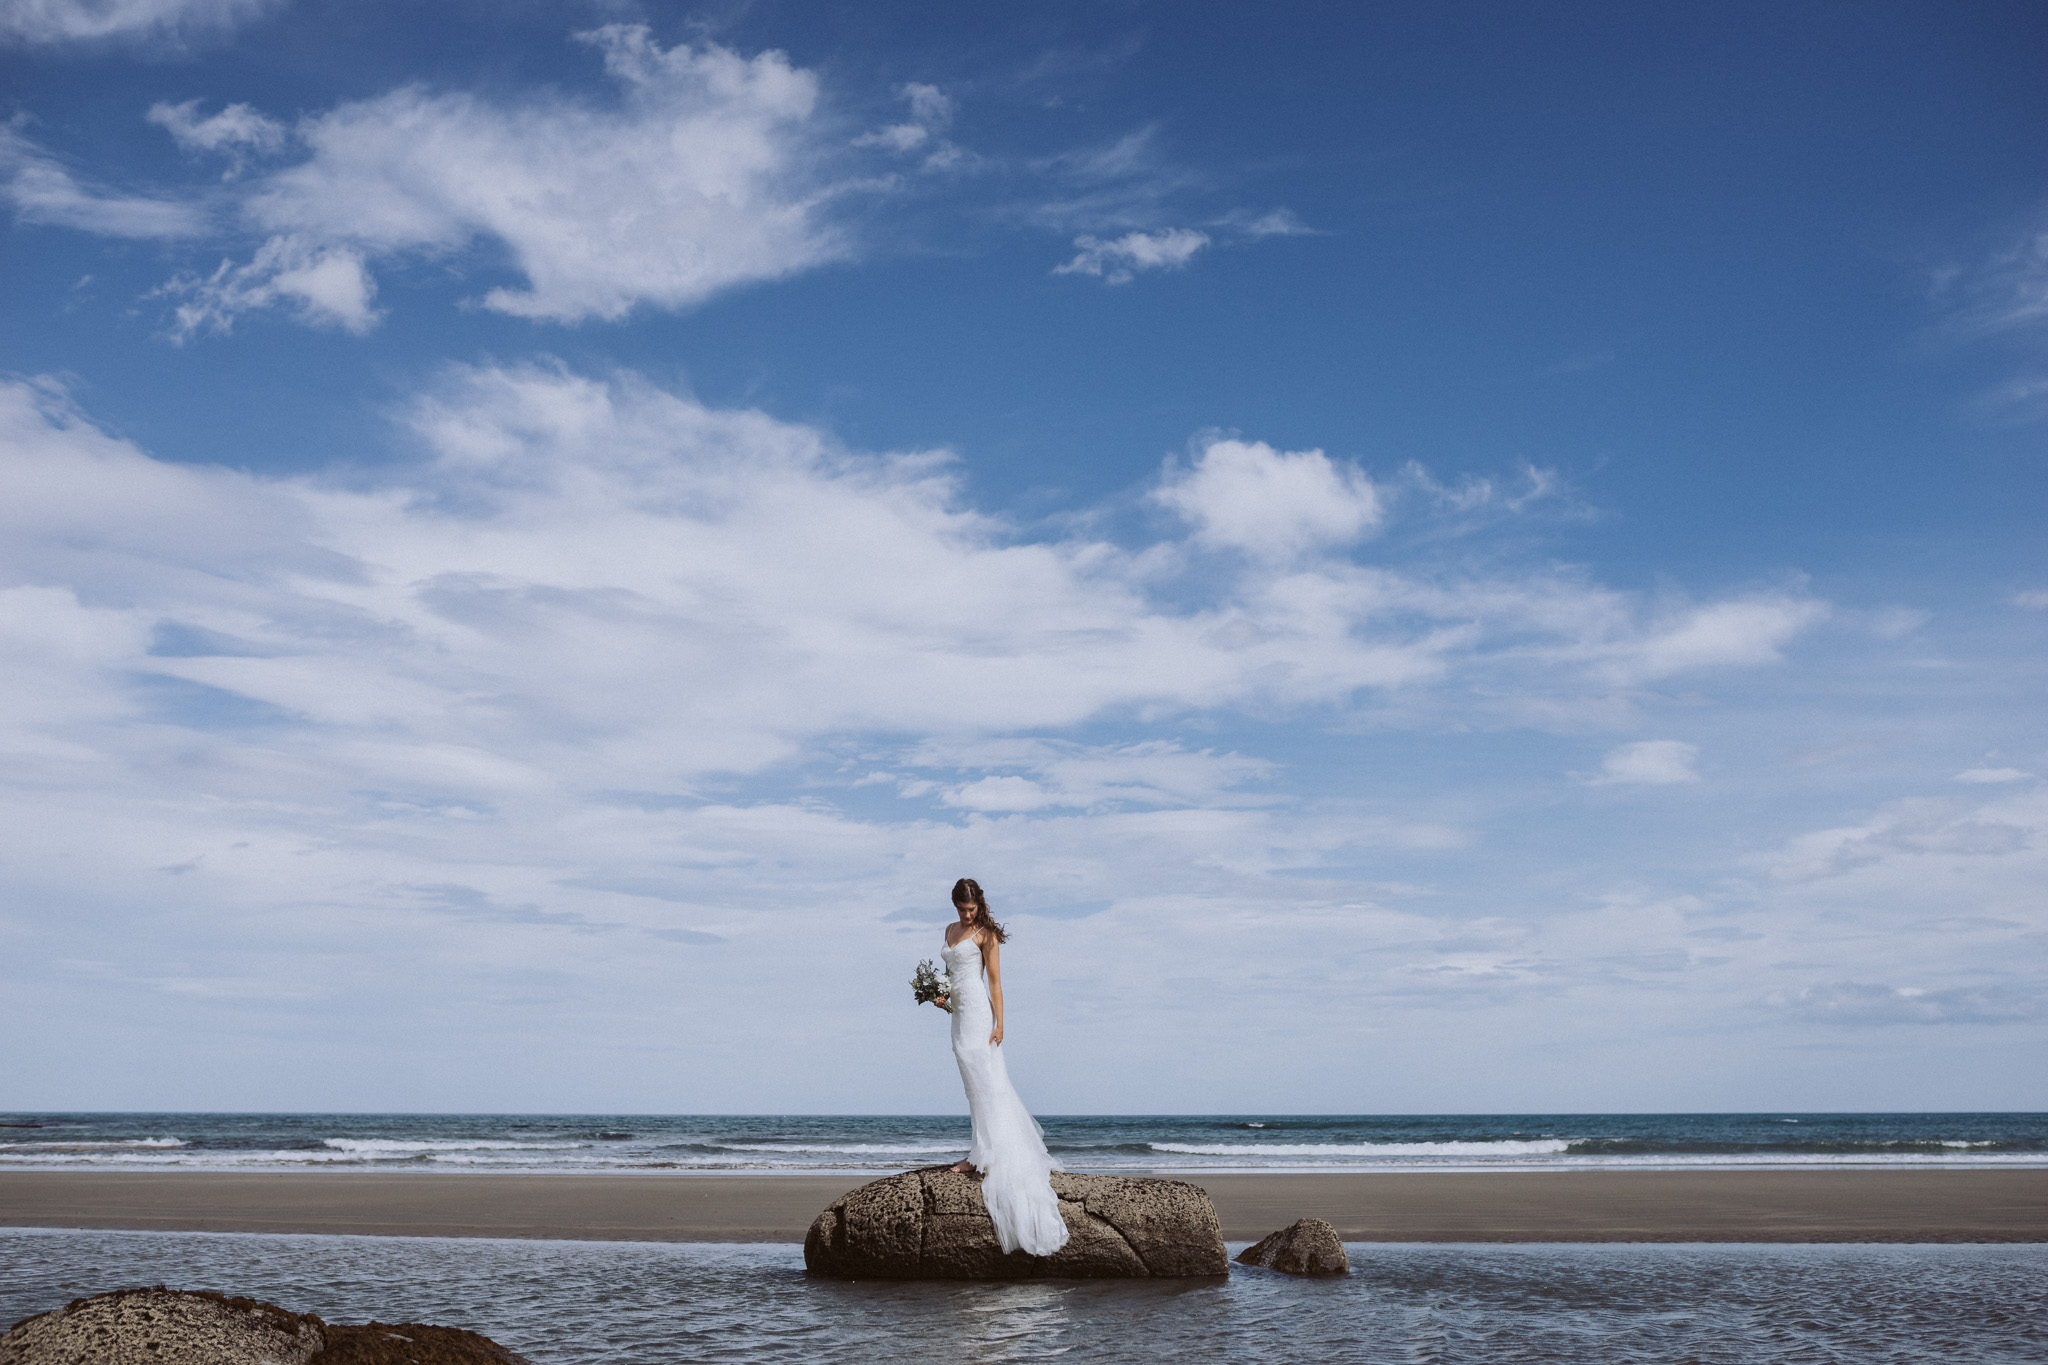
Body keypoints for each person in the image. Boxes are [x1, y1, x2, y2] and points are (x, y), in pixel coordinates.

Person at [930, 877, 1070, 1257]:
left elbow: (994, 982)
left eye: (971, 909)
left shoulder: (986, 934)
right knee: (971, 1083)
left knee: (987, 1079)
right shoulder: (949, 929)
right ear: (954, 905)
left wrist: (1000, 1022)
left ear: (979, 906)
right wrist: (938, 995)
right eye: (962, 908)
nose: (966, 914)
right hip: (957, 1012)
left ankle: (988, 1156)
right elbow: (947, 974)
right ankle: (979, 1151)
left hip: (977, 1011)